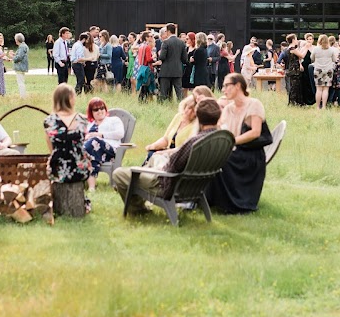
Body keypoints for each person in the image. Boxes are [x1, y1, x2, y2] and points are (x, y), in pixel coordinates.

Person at [113, 98, 224, 211]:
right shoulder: (222, 139)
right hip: (195, 186)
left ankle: (137, 209)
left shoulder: (194, 143)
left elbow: (173, 165)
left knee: (119, 174)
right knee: (156, 157)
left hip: (168, 185)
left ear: (198, 117)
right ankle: (145, 174)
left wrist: (158, 169)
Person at [206, 73, 269, 213]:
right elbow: (221, 129)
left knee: (221, 160)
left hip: (250, 154)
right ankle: (207, 199)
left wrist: (232, 141)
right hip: (233, 151)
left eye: (227, 85)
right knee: (209, 157)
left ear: (238, 86)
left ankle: (234, 203)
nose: (224, 90)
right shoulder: (228, 109)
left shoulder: (254, 104)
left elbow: (255, 132)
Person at [44, 83, 92, 213]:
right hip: (79, 166)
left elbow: (51, 147)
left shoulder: (49, 121)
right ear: (71, 98)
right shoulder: (82, 119)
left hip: (58, 168)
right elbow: (82, 141)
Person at [83, 97, 124, 192]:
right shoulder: (89, 125)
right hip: (94, 151)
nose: (100, 111)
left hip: (110, 151)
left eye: (102, 108)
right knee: (91, 156)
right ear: (91, 112)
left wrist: (101, 135)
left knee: (94, 141)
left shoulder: (114, 120)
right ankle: (91, 188)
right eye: (96, 109)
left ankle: (81, 154)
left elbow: (120, 134)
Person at [145, 95, 199, 163]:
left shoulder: (196, 125)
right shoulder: (178, 117)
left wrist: (163, 153)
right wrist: (153, 146)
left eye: (193, 111)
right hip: (168, 152)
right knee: (151, 154)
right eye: (188, 108)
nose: (189, 112)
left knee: (155, 157)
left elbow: (183, 149)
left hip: (179, 158)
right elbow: (166, 139)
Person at [157, 23, 187, 101]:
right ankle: (182, 106)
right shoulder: (182, 43)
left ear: (168, 31)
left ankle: (163, 108)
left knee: (163, 93)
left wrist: (159, 54)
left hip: (166, 71)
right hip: (177, 70)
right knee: (179, 92)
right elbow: (184, 59)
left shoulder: (166, 42)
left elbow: (162, 57)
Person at [311, 34, 336, 109]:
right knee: (326, 89)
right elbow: (334, 60)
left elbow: (312, 58)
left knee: (319, 89)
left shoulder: (316, 49)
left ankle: (318, 106)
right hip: (328, 70)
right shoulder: (331, 50)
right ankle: (324, 106)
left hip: (318, 70)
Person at [284, 34, 308, 107]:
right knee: (294, 86)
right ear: (293, 40)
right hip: (294, 69)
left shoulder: (293, 48)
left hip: (295, 68)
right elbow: (301, 56)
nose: (297, 40)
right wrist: (306, 48)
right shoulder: (292, 49)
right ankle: (293, 102)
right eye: (296, 39)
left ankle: (298, 102)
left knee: (297, 85)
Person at [10, 33, 29, 98]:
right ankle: (23, 96)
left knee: (20, 82)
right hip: (22, 66)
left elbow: (19, 57)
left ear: (17, 40)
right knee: (21, 81)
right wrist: (14, 54)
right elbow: (20, 55)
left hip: (20, 67)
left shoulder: (22, 47)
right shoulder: (23, 46)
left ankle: (23, 96)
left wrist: (12, 57)